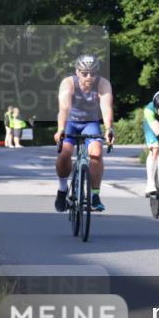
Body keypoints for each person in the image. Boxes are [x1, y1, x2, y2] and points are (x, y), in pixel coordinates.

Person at [54, 55, 114, 213]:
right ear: (77, 72)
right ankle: (62, 189)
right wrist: (60, 129)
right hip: (70, 123)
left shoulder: (103, 84)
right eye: (85, 73)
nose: (89, 77)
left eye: (93, 73)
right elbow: (64, 109)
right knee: (65, 153)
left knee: (96, 153)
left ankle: (94, 196)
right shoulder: (68, 83)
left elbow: (106, 108)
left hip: (90, 123)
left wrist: (109, 129)